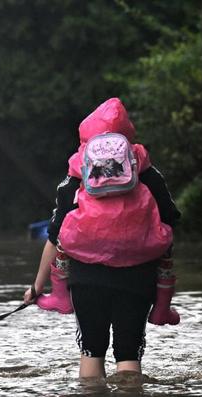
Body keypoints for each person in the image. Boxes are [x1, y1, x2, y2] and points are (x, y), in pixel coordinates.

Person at [24, 98, 180, 379]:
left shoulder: (76, 176)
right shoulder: (148, 173)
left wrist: (37, 286)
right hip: (138, 275)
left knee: (91, 352)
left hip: (86, 277)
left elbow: (55, 235)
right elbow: (169, 221)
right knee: (129, 353)